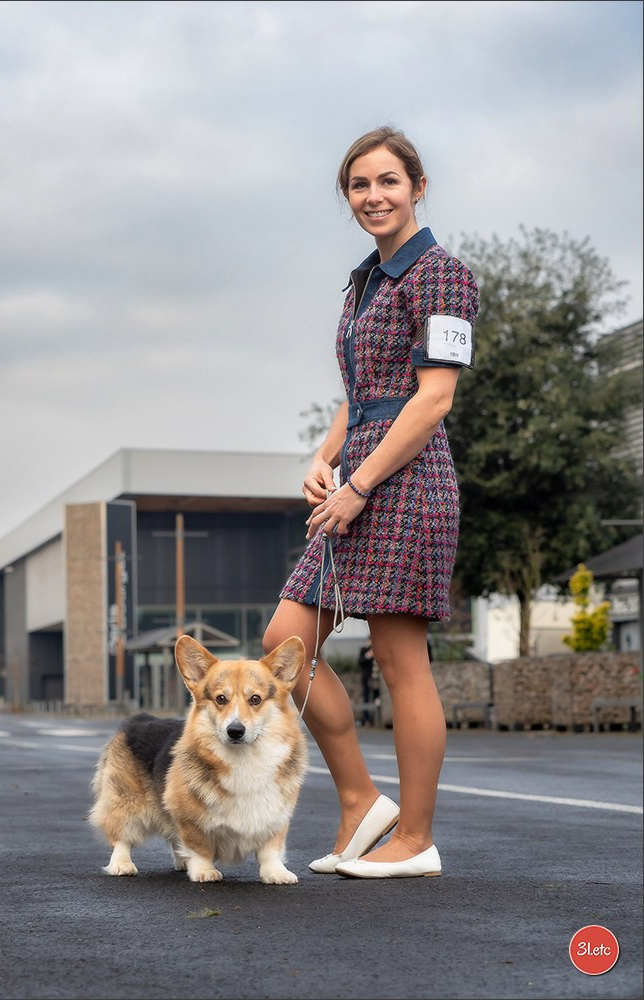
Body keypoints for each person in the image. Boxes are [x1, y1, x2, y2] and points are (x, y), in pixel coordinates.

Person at [263, 125, 480, 879]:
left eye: (388, 181)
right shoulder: (363, 283)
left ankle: (416, 839)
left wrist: (359, 486)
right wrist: (324, 461)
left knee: (399, 659)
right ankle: (360, 801)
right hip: (353, 480)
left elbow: (432, 401)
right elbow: (362, 397)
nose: (374, 196)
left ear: (418, 187)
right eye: (360, 185)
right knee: (283, 647)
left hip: (408, 482)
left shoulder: (441, 276)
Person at [357, 640, 377, 726]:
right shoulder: (364, 649)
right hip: (366, 678)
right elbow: (360, 661)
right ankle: (366, 718)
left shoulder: (377, 649)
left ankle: (375, 719)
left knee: (376, 698)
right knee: (366, 697)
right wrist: (368, 655)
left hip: (376, 679)